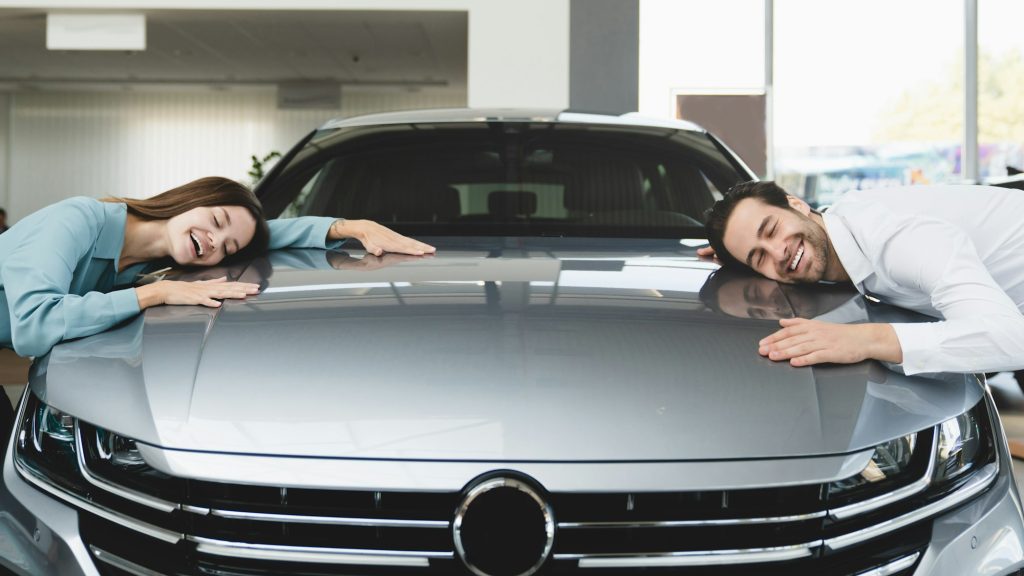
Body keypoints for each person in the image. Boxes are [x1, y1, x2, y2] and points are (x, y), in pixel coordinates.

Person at [0, 176, 435, 359]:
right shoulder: (76, 220)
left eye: (225, 248)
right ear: (192, 198)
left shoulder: (154, 256)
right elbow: (33, 326)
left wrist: (348, 226)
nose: (212, 241)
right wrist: (154, 294)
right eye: (216, 221)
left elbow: (266, 234)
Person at [699, 180, 1024, 377]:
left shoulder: (897, 239)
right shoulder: (838, 224)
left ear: (796, 204)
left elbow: (1013, 338)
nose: (778, 252)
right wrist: (738, 256)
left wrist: (865, 340)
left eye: (771, 230)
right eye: (759, 257)